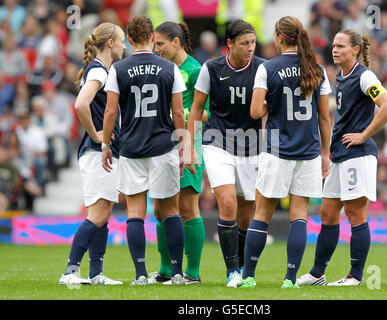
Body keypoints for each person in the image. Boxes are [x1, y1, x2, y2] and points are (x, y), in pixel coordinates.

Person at [238, 16, 332, 289]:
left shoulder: (268, 68)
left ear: (279, 37)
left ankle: (249, 277)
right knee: (299, 215)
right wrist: (325, 153)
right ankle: (290, 279)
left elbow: (255, 111)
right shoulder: (317, 69)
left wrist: (271, 103)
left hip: (277, 150)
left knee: (262, 214)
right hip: (309, 151)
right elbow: (324, 118)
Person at [297, 29, 387, 287]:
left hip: (358, 155)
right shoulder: (341, 77)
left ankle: (355, 276)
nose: (335, 49)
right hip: (341, 154)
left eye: (341, 46)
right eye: (333, 45)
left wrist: (364, 135)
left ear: (355, 50)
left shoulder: (365, 77)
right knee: (328, 213)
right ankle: (318, 273)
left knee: (355, 214)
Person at [102, 16, 187, 286]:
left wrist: (105, 144)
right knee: (171, 211)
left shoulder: (118, 69)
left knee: (135, 212)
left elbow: (111, 111)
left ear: (128, 39)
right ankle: (176, 273)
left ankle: (140, 274)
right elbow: (177, 112)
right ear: (152, 37)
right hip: (163, 147)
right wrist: (184, 146)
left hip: (131, 148)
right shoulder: (169, 68)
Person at [185, 19, 265, 287]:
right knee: (228, 203)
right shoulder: (212, 68)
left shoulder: (263, 68)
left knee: (246, 213)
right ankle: (232, 271)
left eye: (253, 42)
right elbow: (196, 109)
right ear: (229, 44)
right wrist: (187, 146)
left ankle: (242, 268)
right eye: (245, 43)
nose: (250, 48)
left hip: (252, 146)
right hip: (217, 142)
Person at [58, 22, 126, 286]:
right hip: (98, 152)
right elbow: (80, 104)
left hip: (104, 152)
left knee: (104, 213)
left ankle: (96, 273)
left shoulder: (103, 70)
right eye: (121, 40)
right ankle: (71, 271)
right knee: (97, 215)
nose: (124, 45)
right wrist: (98, 135)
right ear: (110, 43)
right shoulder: (99, 71)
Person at [149, 21, 210, 285]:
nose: (156, 48)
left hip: (188, 144)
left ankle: (193, 273)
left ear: (176, 42)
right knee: (160, 209)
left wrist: (183, 115)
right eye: (154, 44)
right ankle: (165, 270)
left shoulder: (196, 71)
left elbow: (208, 112)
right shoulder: (159, 69)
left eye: (160, 43)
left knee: (187, 207)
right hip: (162, 145)